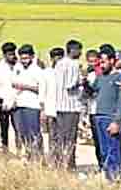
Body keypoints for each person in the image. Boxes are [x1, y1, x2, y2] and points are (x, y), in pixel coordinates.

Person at [90, 44, 121, 179]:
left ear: (112, 61)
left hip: (110, 118)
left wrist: (117, 121)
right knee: (103, 151)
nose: (101, 65)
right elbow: (92, 91)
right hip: (99, 117)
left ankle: (115, 178)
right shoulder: (100, 77)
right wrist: (84, 83)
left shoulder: (120, 78)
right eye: (100, 62)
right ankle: (107, 176)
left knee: (113, 150)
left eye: (104, 62)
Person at [51, 40, 86, 170]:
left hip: (59, 105)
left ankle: (61, 163)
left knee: (61, 137)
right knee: (70, 138)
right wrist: (82, 81)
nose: (80, 53)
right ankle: (68, 165)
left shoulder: (59, 64)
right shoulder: (73, 64)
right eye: (79, 50)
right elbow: (70, 85)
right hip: (70, 106)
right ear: (72, 50)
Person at [12, 45, 44, 159]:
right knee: (22, 132)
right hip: (19, 104)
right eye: (22, 58)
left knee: (34, 132)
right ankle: (27, 154)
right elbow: (13, 84)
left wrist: (25, 87)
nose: (24, 61)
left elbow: (41, 89)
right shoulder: (17, 68)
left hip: (32, 105)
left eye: (26, 58)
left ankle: (38, 156)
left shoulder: (38, 71)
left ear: (32, 57)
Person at [0, 42, 20, 153]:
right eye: (9, 54)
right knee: (4, 129)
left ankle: (19, 150)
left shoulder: (19, 66)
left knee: (18, 128)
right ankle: (5, 150)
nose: (12, 56)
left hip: (17, 102)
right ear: (4, 55)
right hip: (3, 101)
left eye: (13, 53)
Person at [41, 47, 65, 162]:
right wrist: (43, 110)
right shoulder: (47, 73)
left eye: (60, 58)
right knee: (52, 136)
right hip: (51, 109)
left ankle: (63, 159)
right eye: (56, 58)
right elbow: (42, 91)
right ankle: (53, 160)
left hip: (65, 109)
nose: (58, 61)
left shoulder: (66, 72)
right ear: (52, 59)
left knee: (64, 136)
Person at [85, 47, 104, 166]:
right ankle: (100, 164)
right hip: (92, 110)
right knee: (97, 140)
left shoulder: (101, 74)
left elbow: (93, 91)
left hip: (102, 110)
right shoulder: (89, 73)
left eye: (94, 61)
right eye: (90, 61)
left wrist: (86, 85)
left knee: (103, 141)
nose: (92, 64)